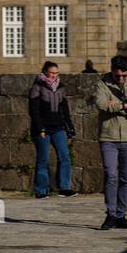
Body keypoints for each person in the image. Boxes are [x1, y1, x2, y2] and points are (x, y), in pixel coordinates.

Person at [94, 54, 127, 231]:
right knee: (110, 176)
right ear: (112, 71)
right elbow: (102, 104)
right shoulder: (102, 84)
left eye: (124, 75)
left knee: (125, 178)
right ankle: (110, 214)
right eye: (117, 76)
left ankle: (121, 214)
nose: (121, 79)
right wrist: (125, 106)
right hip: (108, 137)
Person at [29, 60, 77, 199]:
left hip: (58, 127)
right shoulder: (38, 86)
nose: (54, 76)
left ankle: (64, 187)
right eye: (51, 73)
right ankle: (42, 190)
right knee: (43, 158)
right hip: (42, 128)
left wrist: (69, 126)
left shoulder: (61, 87)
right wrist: (40, 128)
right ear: (45, 72)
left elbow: (65, 109)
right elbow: (34, 110)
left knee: (64, 156)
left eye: (56, 73)